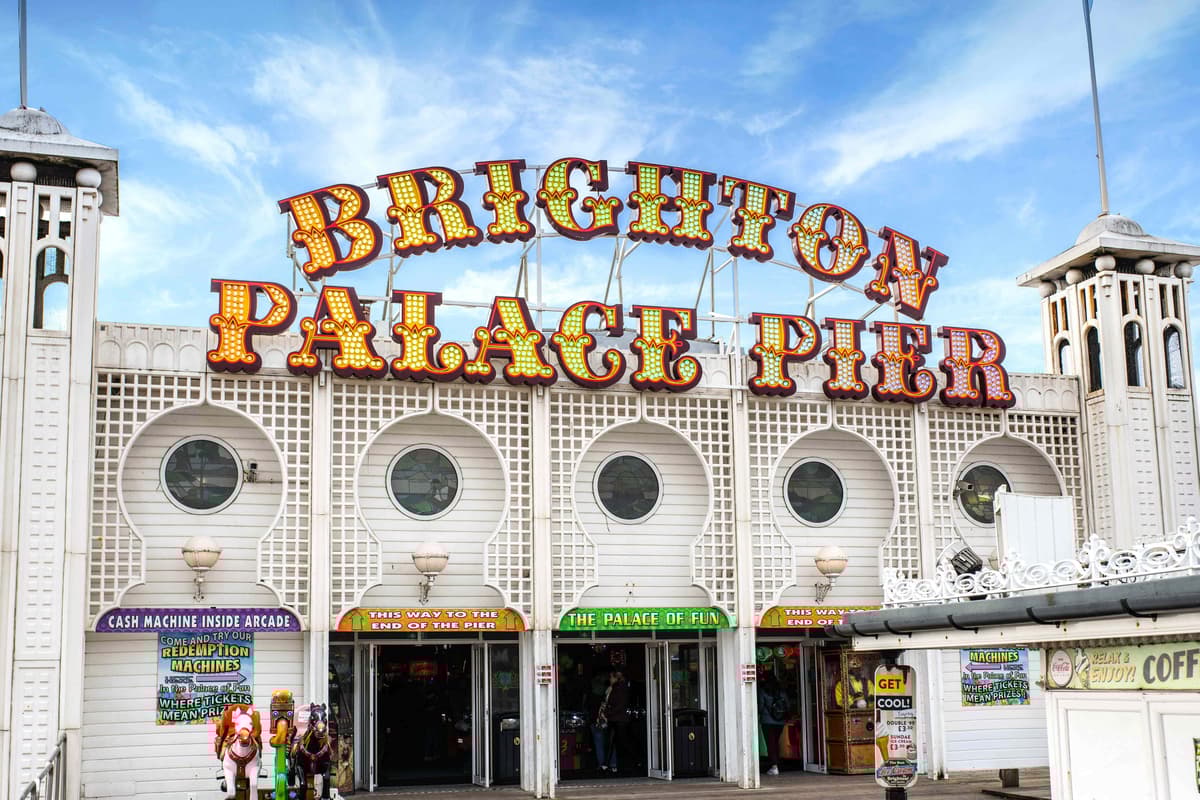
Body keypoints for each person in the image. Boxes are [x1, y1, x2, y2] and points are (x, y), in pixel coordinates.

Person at [757, 676, 789, 776]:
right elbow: (787, 705)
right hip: (780, 722)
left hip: (767, 721)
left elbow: (761, 707)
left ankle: (774, 766)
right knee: (775, 742)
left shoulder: (763, 692)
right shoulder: (781, 692)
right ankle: (776, 763)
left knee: (770, 744)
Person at [600, 670, 630, 774]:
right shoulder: (618, 688)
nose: (609, 679)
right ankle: (606, 764)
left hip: (618, 720)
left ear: (615, 678)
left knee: (618, 742)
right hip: (616, 719)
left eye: (611, 677)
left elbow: (619, 705)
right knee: (612, 742)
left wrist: (607, 713)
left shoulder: (619, 689)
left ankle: (632, 761)